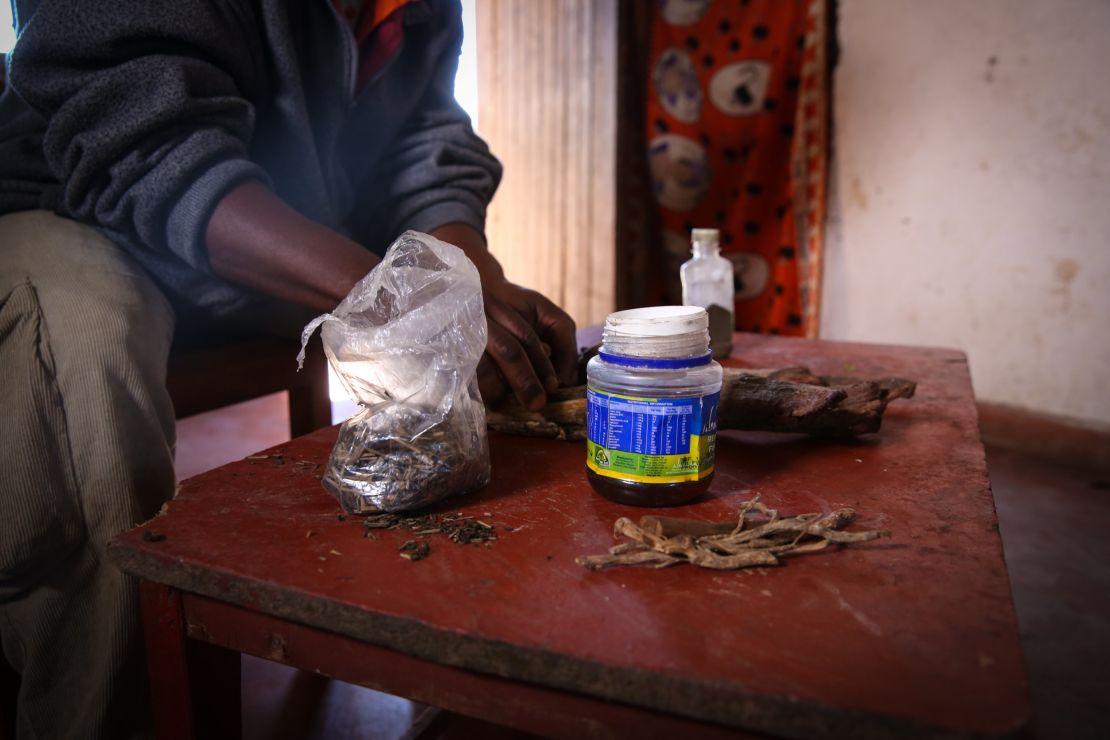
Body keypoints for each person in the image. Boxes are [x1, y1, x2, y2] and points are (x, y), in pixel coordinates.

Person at [0, 1, 577, 737]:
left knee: (471, 380)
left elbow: (422, 141)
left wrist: (466, 277)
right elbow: (139, 138)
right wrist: (390, 294)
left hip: (257, 235)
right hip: (73, 205)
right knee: (87, 342)